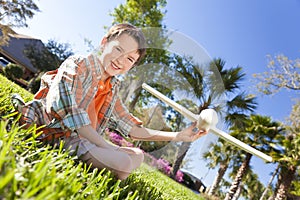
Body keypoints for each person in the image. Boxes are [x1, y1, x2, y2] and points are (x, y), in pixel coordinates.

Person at [11, 23, 208, 180]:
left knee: (137, 156)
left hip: (86, 142)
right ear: (104, 42)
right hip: (57, 134)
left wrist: (178, 136)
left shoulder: (112, 87)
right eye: (118, 50)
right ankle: (107, 160)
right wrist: (110, 148)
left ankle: (105, 159)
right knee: (123, 164)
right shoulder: (82, 62)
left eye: (130, 59)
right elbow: (71, 114)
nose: (121, 61)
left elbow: (131, 128)